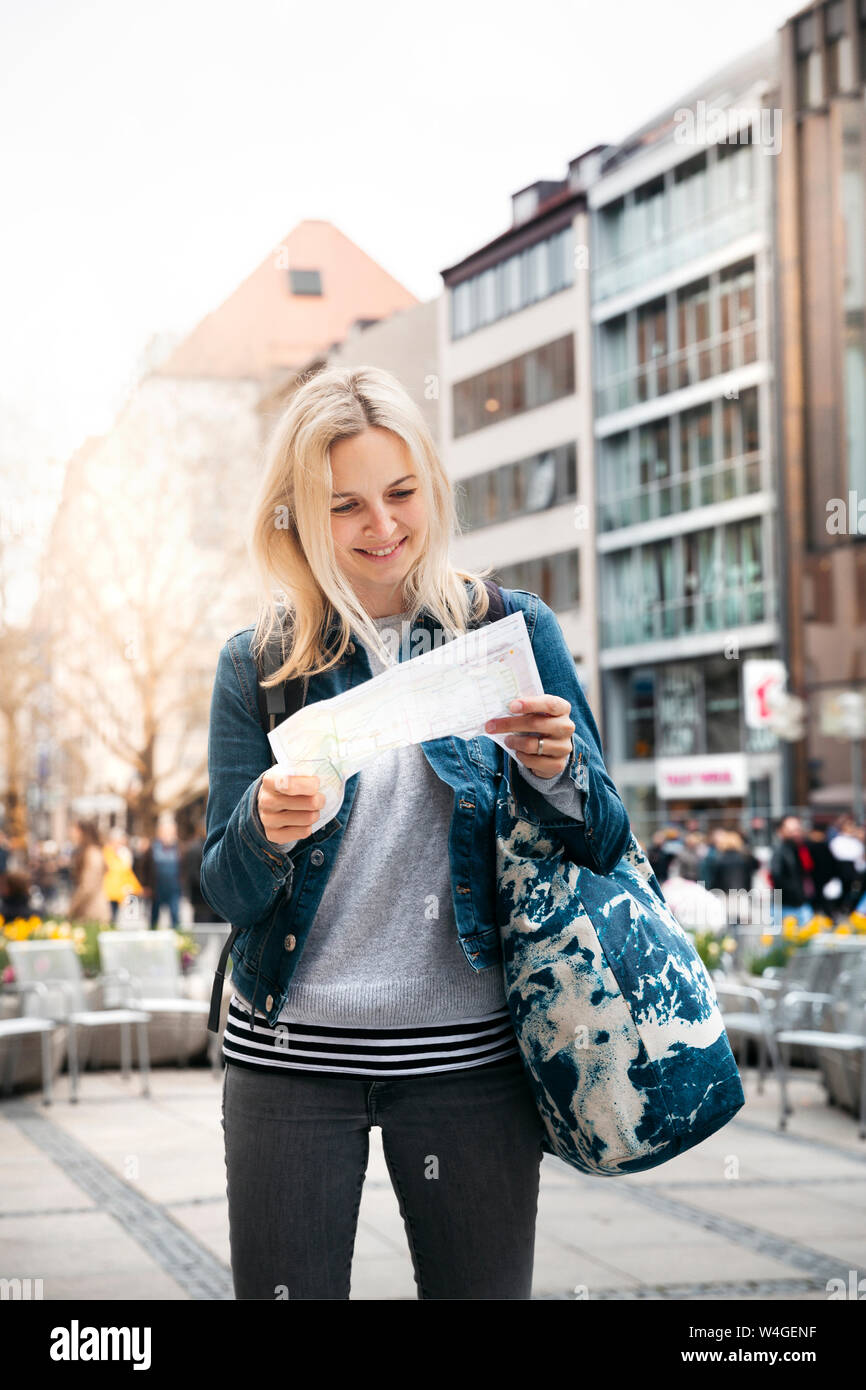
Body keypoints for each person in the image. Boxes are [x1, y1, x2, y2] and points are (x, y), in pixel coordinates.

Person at [202, 365, 631, 1301]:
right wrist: (262, 829)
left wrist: (557, 770)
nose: (383, 527)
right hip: (290, 1064)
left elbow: (606, 838)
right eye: (345, 505)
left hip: (468, 1065)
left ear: (432, 487)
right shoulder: (260, 663)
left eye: (401, 494)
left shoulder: (508, 627)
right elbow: (223, 890)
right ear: (300, 519)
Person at [768, 815, 817, 926]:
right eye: (791, 830)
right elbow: (777, 877)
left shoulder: (802, 848)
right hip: (785, 906)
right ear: (781, 831)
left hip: (800, 904)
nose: (796, 833)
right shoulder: (780, 850)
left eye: (797, 829)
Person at [67, 820, 111, 923]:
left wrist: (71, 909)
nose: (71, 833)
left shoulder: (92, 853)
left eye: (74, 830)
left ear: (82, 832)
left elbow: (88, 886)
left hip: (93, 912)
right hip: (87, 911)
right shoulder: (88, 852)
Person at [102, 825, 143, 925]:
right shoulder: (106, 852)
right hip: (108, 891)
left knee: (118, 916)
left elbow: (127, 872)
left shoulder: (124, 853)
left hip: (121, 891)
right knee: (109, 916)